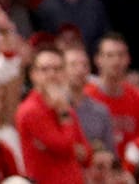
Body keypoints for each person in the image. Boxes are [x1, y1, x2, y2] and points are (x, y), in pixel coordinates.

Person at [15, 46, 91, 184]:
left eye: (57, 69)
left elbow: (86, 153)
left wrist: (68, 147)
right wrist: (64, 115)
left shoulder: (64, 106)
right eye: (44, 69)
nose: (52, 74)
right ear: (33, 74)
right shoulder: (30, 110)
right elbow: (64, 146)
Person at [84, 34, 139, 161]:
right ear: (97, 60)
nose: (116, 61)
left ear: (128, 59)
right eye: (110, 55)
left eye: (121, 55)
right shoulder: (85, 97)